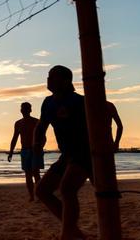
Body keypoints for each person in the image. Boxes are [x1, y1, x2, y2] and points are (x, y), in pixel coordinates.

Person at [34, 65, 91, 240]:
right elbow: (41, 126)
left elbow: (99, 126)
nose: (48, 80)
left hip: (85, 152)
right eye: (48, 77)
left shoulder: (79, 102)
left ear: (66, 81)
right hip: (66, 155)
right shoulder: (48, 102)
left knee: (67, 189)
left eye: (53, 77)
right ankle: (73, 232)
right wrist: (37, 144)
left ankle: (67, 234)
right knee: (42, 191)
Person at [8, 102, 42, 200]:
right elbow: (14, 138)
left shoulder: (36, 121)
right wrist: (11, 152)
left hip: (35, 150)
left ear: (30, 110)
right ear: (21, 110)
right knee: (28, 174)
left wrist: (39, 147)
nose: (24, 110)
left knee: (36, 173)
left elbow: (43, 136)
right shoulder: (18, 123)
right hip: (25, 151)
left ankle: (39, 195)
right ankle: (31, 196)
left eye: (26, 108)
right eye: (23, 108)